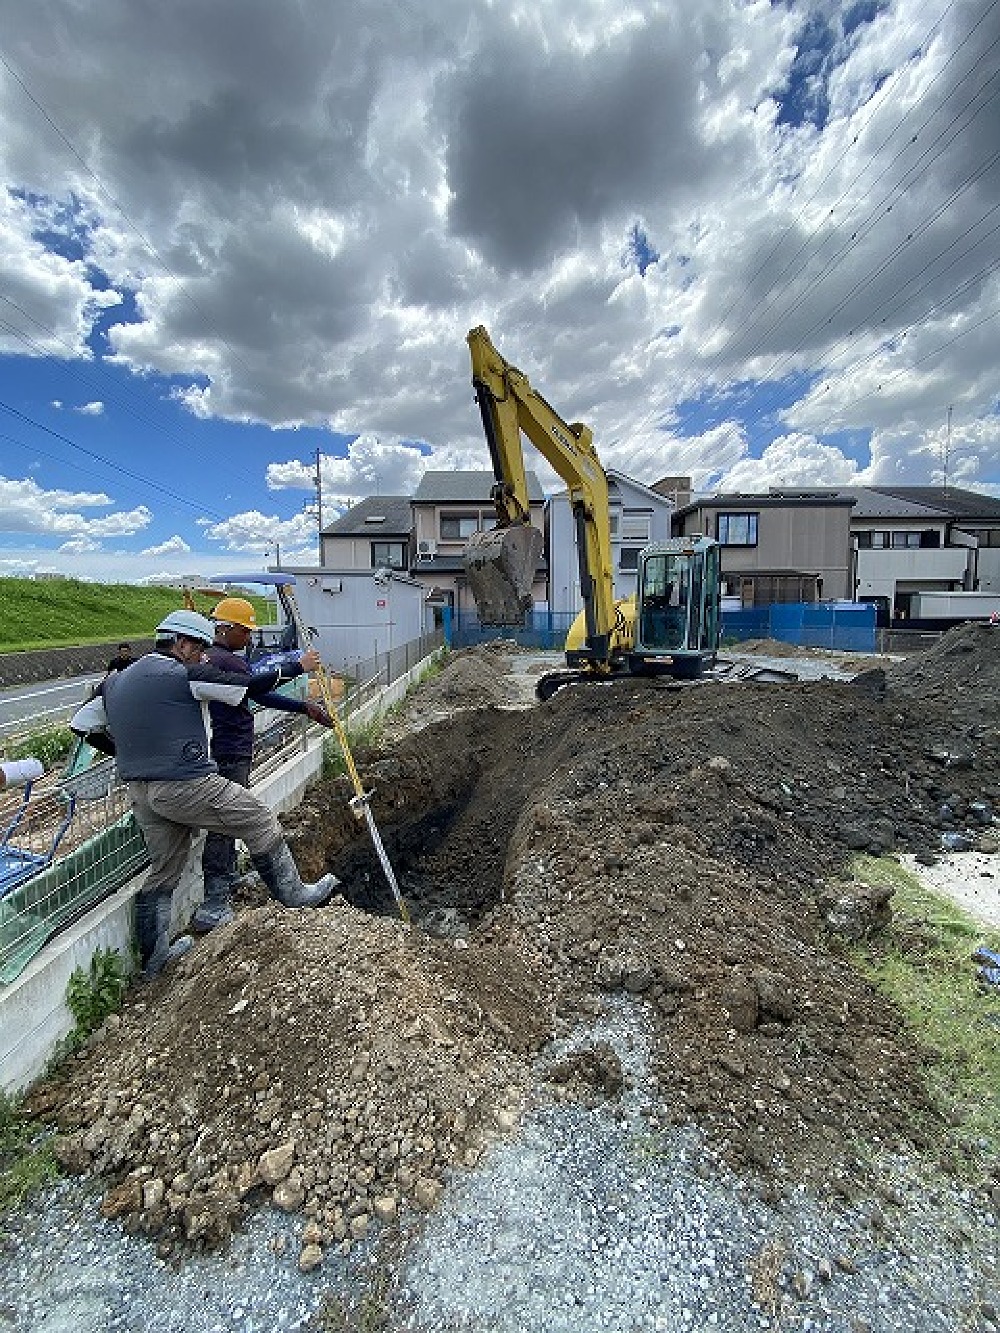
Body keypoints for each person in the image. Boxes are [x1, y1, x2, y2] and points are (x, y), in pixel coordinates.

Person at [69, 609, 338, 979]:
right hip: (185, 781)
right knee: (256, 817)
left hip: (142, 792)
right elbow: (246, 687)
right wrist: (296, 667)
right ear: (182, 643)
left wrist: (126, 753)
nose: (202, 655)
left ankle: (155, 960)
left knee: (164, 871)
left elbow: (81, 726)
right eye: (199, 648)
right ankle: (296, 898)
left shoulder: (115, 682)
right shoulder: (183, 674)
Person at [193, 596, 337, 933]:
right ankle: (214, 902)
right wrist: (296, 668)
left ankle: (225, 880)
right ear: (227, 629)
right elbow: (256, 686)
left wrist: (304, 708)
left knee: (226, 820)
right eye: (246, 631)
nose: (249, 638)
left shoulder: (222, 661)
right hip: (225, 751)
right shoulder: (222, 662)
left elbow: (255, 695)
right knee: (224, 822)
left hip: (232, 749)